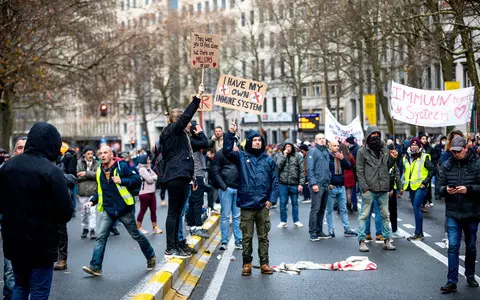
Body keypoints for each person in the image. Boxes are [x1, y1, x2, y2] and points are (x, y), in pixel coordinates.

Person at [0, 123, 72, 299]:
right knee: (39, 292)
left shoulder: (8, 167)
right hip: (41, 243)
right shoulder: (51, 171)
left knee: (20, 286)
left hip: (14, 241)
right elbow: (65, 211)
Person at [82, 146, 155, 276]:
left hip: (124, 208)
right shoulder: (99, 170)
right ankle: (95, 267)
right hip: (108, 209)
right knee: (100, 237)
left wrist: (122, 181)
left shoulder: (122, 166)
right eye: (101, 153)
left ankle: (150, 256)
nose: (102, 155)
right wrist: (92, 201)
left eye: (105, 153)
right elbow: (100, 190)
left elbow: (136, 179)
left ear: (111, 154)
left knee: (136, 235)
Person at [223, 123, 278, 276]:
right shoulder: (241, 156)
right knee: (246, 237)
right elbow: (226, 151)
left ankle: (264, 263)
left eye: (259, 140)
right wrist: (230, 133)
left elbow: (275, 181)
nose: (257, 142)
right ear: (249, 142)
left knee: (263, 237)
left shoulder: (268, 160)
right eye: (254, 140)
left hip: (263, 205)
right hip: (246, 205)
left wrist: (271, 200)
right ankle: (247, 263)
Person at [159, 84, 203, 258]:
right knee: (173, 211)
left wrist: (192, 178)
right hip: (175, 175)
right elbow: (185, 117)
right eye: (187, 122)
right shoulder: (173, 130)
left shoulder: (179, 135)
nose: (189, 125)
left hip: (182, 175)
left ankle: (177, 244)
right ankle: (170, 248)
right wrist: (197, 98)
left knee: (177, 212)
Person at [438, 136, 480, 293]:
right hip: (453, 213)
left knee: (470, 246)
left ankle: (470, 275)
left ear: (466, 149)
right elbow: (438, 188)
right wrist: (445, 190)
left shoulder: (476, 164)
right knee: (453, 247)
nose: (456, 155)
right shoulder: (447, 165)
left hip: (472, 213)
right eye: (453, 152)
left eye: (458, 152)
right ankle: (451, 281)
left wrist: (468, 189)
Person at [356, 126, 397, 252]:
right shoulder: (362, 151)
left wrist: (393, 158)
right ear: (368, 136)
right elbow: (359, 171)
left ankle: (386, 240)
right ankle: (362, 241)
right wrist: (365, 188)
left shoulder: (385, 149)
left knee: (385, 215)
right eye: (372, 134)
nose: (375, 137)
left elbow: (387, 166)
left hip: (383, 189)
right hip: (369, 189)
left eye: (377, 134)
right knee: (364, 216)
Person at [403, 137, 434, 241]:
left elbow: (432, 170)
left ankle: (418, 233)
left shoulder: (425, 157)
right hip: (411, 186)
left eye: (416, 145)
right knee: (415, 208)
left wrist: (425, 183)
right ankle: (419, 232)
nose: (414, 147)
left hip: (421, 186)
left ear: (420, 147)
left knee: (417, 207)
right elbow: (404, 172)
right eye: (412, 145)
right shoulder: (406, 157)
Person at [212, 145, 242, 251]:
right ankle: (224, 241)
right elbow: (215, 171)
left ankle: (238, 241)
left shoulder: (238, 153)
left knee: (237, 216)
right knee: (225, 216)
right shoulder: (220, 154)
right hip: (226, 189)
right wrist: (224, 186)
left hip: (237, 188)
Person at [325, 140, 357, 237]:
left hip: (341, 186)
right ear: (330, 147)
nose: (336, 147)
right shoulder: (327, 156)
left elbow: (349, 166)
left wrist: (343, 158)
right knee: (329, 210)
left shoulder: (340, 155)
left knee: (343, 209)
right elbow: (324, 170)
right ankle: (331, 230)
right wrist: (328, 183)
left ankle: (347, 229)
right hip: (331, 186)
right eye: (334, 145)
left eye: (337, 145)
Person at [306, 133, 331, 241]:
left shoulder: (325, 151)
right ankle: (312, 232)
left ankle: (319, 231)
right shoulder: (312, 151)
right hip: (317, 184)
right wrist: (313, 183)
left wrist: (329, 180)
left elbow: (327, 168)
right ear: (315, 141)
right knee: (315, 209)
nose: (322, 140)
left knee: (322, 209)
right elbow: (310, 169)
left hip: (325, 183)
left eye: (323, 138)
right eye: (319, 139)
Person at [275, 139, 305, 228]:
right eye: (286, 146)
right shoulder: (279, 156)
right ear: (284, 147)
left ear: (292, 147)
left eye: (289, 146)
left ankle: (296, 220)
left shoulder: (297, 157)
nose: (288, 148)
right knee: (283, 203)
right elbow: (277, 168)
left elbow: (301, 171)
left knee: (295, 203)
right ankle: (283, 221)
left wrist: (301, 184)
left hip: (294, 183)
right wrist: (284, 156)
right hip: (283, 183)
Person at [187, 121, 210, 238]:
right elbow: (205, 143)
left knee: (193, 202)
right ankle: (197, 227)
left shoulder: (191, 141)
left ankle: (192, 226)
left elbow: (207, 144)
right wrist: (201, 132)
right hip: (196, 176)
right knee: (197, 202)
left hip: (195, 175)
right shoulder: (191, 141)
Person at [77, 146, 100, 240]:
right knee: (84, 212)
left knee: (92, 212)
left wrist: (86, 173)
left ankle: (92, 230)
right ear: (84, 154)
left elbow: (98, 175)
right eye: (88, 154)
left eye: (92, 154)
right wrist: (91, 175)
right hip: (82, 192)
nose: (90, 156)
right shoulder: (79, 163)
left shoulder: (97, 163)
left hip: (92, 191)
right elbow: (78, 175)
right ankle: (85, 228)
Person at [136, 154, 162, 235]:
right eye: (148, 159)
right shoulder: (142, 169)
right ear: (144, 160)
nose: (149, 161)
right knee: (143, 210)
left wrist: (153, 177)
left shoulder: (148, 168)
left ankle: (155, 227)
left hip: (151, 192)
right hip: (144, 193)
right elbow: (150, 180)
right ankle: (139, 227)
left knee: (153, 210)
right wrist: (153, 177)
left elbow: (155, 176)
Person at [387, 143, 404, 239]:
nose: (394, 152)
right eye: (392, 151)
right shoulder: (384, 160)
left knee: (393, 210)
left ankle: (394, 230)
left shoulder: (394, 162)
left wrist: (400, 188)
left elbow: (397, 175)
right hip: (384, 190)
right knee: (384, 212)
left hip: (392, 190)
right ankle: (382, 232)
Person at [339, 143, 356, 213]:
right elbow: (354, 164)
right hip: (349, 174)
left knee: (341, 192)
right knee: (348, 192)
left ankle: (341, 207)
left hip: (341, 174)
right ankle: (349, 206)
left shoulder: (339, 156)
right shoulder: (350, 155)